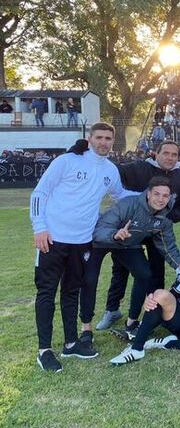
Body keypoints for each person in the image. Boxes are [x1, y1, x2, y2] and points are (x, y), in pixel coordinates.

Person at [30, 123, 126, 371]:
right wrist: (40, 227)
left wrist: (152, 194)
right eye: (99, 137)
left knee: (72, 292)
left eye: (108, 138)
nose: (104, 142)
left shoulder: (111, 170)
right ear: (89, 138)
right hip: (52, 239)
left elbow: (120, 196)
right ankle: (44, 350)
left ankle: (71, 343)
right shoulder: (67, 161)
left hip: (82, 241)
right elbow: (39, 193)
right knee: (47, 294)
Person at [96, 140, 180, 331]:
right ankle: (112, 309)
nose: (170, 158)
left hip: (157, 229)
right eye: (165, 153)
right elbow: (114, 171)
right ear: (155, 154)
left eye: (174, 155)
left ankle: (153, 309)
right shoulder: (139, 168)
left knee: (155, 271)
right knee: (121, 270)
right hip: (130, 231)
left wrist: (165, 217)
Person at [88, 177, 180, 342]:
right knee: (89, 279)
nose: (161, 199)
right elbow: (100, 229)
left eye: (165, 196)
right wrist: (115, 234)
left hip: (127, 244)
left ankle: (132, 323)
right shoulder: (128, 204)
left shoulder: (164, 217)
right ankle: (86, 329)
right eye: (157, 194)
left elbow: (167, 246)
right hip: (101, 241)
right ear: (148, 194)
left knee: (144, 274)